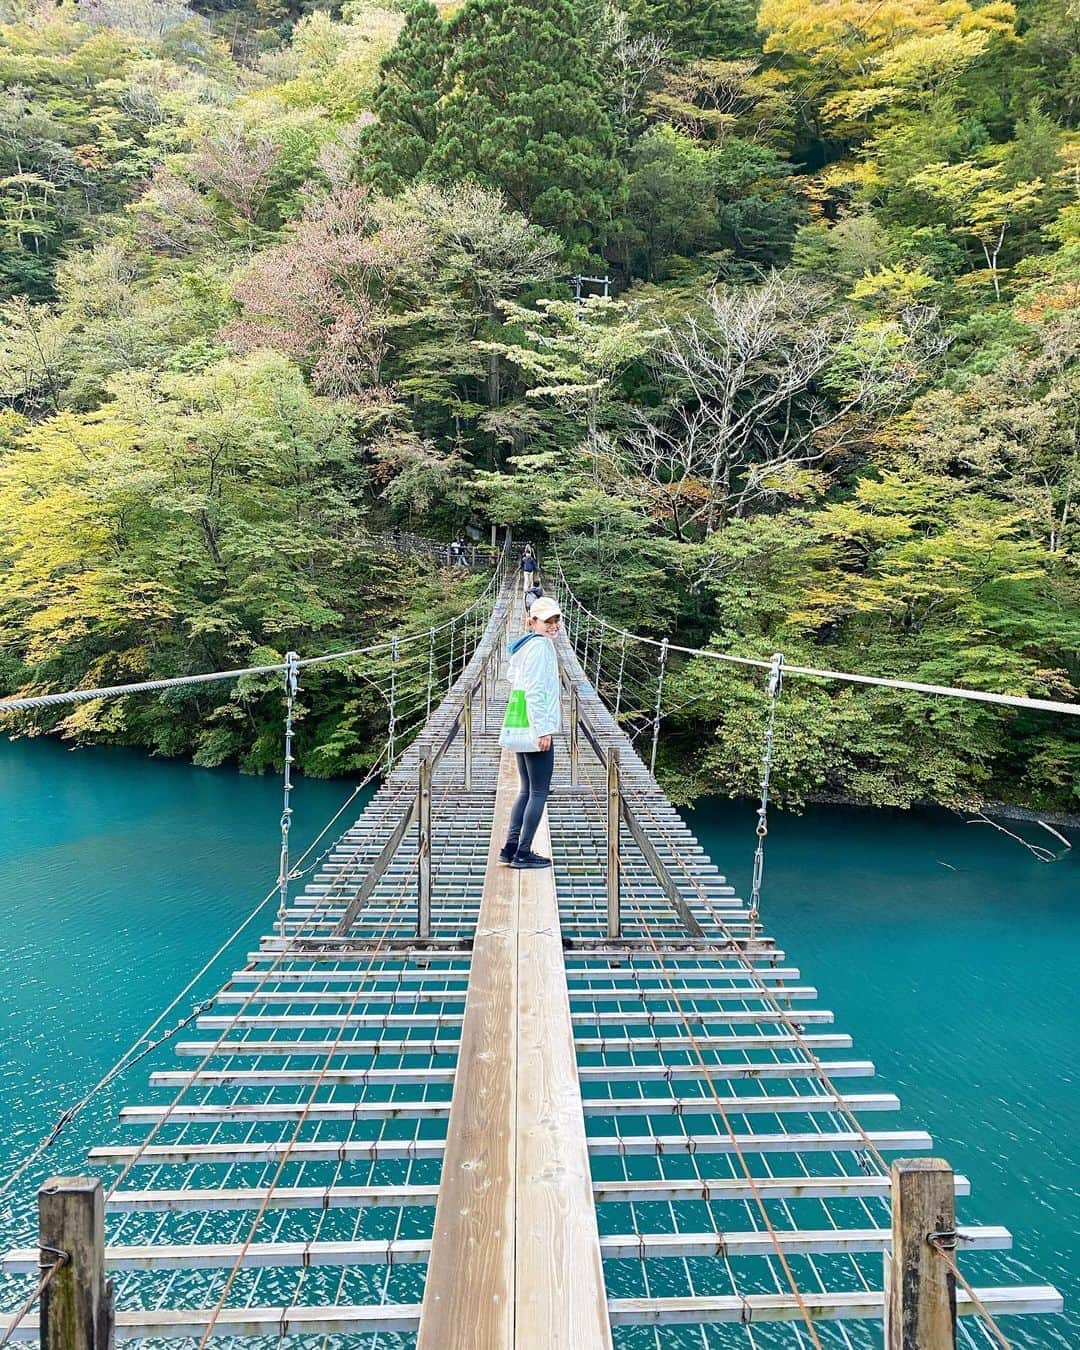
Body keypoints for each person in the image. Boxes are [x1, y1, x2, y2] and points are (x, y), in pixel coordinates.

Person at [500, 596, 562, 870]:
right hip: (536, 728)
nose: (553, 625)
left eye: (556, 619)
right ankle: (523, 853)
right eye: (547, 620)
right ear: (533, 622)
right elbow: (536, 692)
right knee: (539, 791)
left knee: (526, 790)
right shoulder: (540, 648)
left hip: (522, 726)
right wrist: (544, 730)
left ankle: (510, 848)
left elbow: (516, 680)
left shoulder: (524, 646)